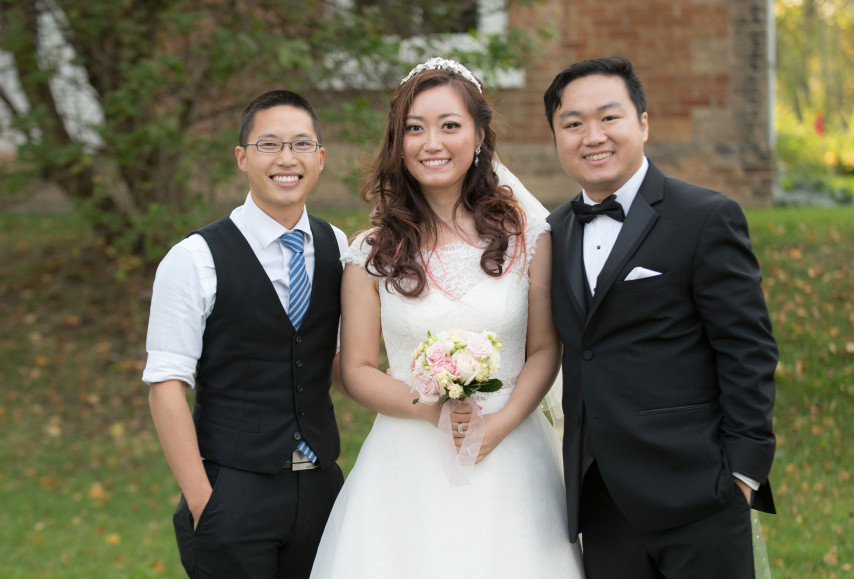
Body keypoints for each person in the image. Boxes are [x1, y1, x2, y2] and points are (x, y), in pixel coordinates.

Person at [310, 58, 584, 578]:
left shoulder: (529, 238)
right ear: (399, 143)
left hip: (511, 455)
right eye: (414, 128)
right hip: (405, 465)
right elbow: (358, 368)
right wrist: (429, 407)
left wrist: (500, 425)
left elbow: (545, 350)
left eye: (449, 125)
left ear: (479, 134)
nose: (431, 142)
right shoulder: (370, 252)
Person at [544, 56, 777, 578]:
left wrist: (743, 472)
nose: (592, 136)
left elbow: (747, 349)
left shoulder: (704, 217)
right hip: (601, 502)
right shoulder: (551, 233)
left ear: (643, 124)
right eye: (573, 124)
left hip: (698, 493)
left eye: (610, 117)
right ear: (556, 137)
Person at [143, 90, 348, 578]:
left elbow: (337, 363)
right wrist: (204, 502)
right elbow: (166, 384)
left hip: (321, 490)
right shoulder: (194, 258)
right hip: (232, 493)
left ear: (319, 158)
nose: (286, 158)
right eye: (268, 144)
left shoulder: (337, 245)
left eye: (301, 144)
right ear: (242, 157)